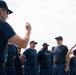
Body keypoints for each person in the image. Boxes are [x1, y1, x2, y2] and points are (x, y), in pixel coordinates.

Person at [0, 0, 31, 75]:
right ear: (1, 10)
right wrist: (28, 31)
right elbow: (23, 44)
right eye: (7, 12)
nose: (7, 16)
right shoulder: (2, 25)